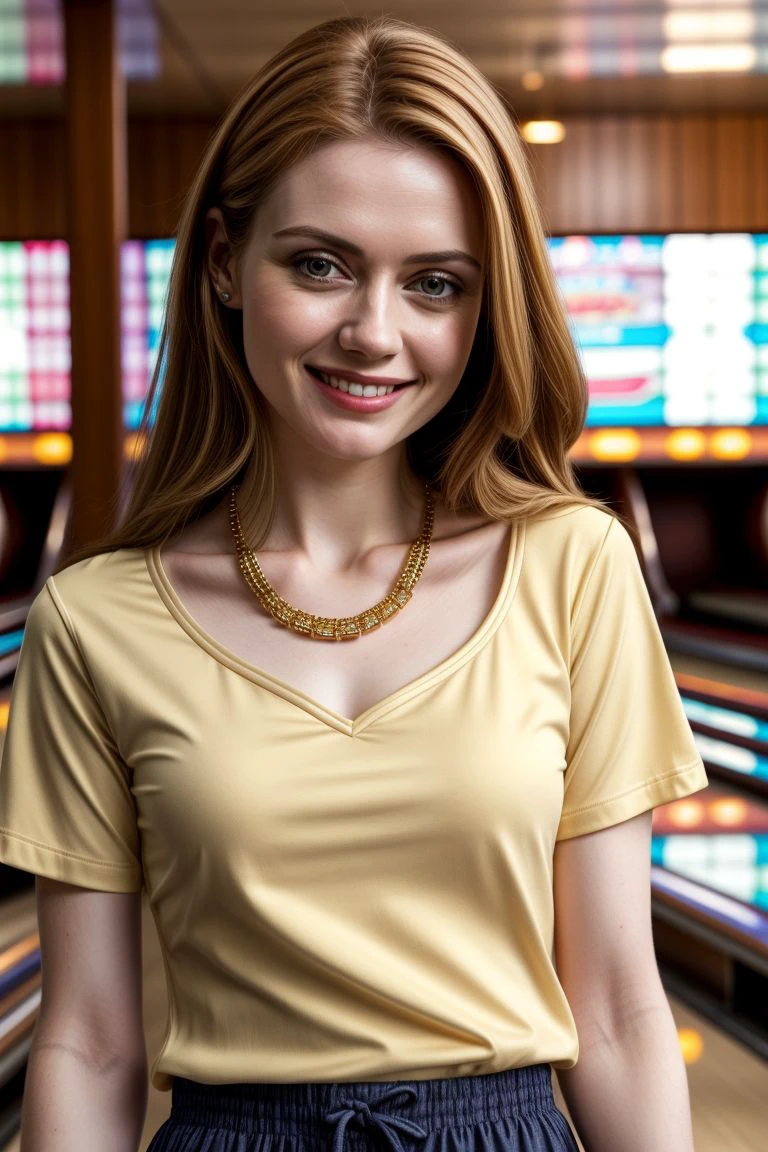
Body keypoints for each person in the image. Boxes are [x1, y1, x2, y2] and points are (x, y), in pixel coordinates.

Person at [0, 15, 708, 1152]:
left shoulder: (575, 566)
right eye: (319, 264)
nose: (373, 333)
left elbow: (623, 1014)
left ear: (486, 313)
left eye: (435, 284)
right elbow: (88, 1038)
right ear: (227, 261)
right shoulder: (96, 620)